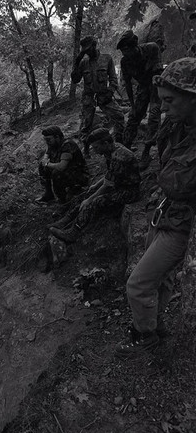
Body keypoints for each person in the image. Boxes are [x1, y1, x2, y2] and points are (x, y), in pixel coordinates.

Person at [115, 57, 196, 358]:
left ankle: (144, 336)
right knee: (157, 281)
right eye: (162, 101)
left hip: (180, 227)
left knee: (137, 285)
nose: (163, 108)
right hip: (164, 213)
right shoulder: (177, 126)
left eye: (170, 100)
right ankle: (155, 325)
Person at [49, 128, 140, 243]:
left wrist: (90, 199)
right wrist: (96, 186)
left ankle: (73, 232)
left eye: (96, 147)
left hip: (128, 191)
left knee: (94, 201)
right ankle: (66, 220)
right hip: (118, 185)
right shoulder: (111, 150)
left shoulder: (120, 156)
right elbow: (110, 174)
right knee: (87, 193)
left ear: (106, 143)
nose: (94, 151)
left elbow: (108, 185)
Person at [117, 29, 163, 169]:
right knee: (133, 117)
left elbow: (157, 73)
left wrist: (156, 99)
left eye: (127, 50)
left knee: (154, 116)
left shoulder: (151, 48)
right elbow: (129, 84)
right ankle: (125, 148)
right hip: (143, 87)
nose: (125, 54)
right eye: (123, 52)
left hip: (156, 83)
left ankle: (147, 151)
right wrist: (132, 105)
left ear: (134, 46)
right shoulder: (125, 61)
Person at [71, 35, 124, 151]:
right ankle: (85, 150)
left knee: (119, 117)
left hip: (104, 95)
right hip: (88, 97)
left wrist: (110, 92)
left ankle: (119, 145)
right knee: (86, 125)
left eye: (88, 49)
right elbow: (75, 79)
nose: (87, 52)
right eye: (85, 50)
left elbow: (113, 79)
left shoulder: (107, 58)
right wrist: (77, 60)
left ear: (94, 46)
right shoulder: (83, 63)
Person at [36, 125, 89, 205]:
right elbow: (46, 156)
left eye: (49, 139)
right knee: (42, 166)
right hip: (67, 171)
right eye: (45, 140)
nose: (47, 142)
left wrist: (47, 163)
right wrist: (45, 162)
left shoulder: (67, 145)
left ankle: (63, 201)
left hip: (79, 175)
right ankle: (49, 194)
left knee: (56, 173)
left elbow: (61, 167)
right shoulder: (53, 144)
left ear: (57, 137)